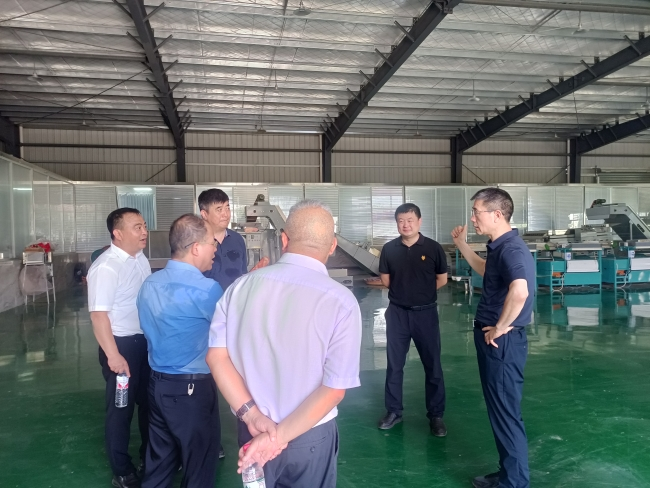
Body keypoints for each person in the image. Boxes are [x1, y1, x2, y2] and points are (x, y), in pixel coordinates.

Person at [207, 199, 362, 488]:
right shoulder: (342, 302)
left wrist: (252, 416)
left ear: (284, 239)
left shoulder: (240, 287)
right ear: (332, 246)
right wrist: (277, 438)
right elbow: (334, 389)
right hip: (309, 438)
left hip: (253, 430)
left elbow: (216, 358)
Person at [451, 188, 535, 488]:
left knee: (505, 413)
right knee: (500, 411)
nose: (473, 218)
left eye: (477, 212)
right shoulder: (499, 246)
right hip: (496, 342)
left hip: (501, 343)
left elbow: (520, 291)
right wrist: (462, 245)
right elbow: (486, 270)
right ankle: (508, 473)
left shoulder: (511, 249)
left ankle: (514, 482)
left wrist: (500, 326)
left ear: (497, 214)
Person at [137, 214, 224, 488]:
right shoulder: (207, 290)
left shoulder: (149, 284)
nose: (215, 249)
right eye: (212, 243)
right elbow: (230, 336)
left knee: (159, 466)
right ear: (196, 247)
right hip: (192, 391)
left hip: (157, 386)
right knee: (198, 468)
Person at [198, 188, 268, 460]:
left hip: (235, 317)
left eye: (227, 207)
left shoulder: (237, 240)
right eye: (219, 209)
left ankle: (247, 435)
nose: (226, 213)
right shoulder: (196, 241)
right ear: (204, 214)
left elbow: (240, 276)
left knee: (240, 375)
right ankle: (209, 441)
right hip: (203, 318)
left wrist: (254, 274)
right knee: (205, 382)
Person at [87, 208, 151, 488]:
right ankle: (122, 470)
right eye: (137, 227)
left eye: (144, 226)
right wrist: (113, 356)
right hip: (121, 345)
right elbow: (98, 316)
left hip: (144, 343)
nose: (144, 232)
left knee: (149, 404)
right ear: (118, 233)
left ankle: (150, 458)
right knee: (120, 409)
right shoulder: (106, 267)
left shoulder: (140, 259)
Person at [377, 203, 449, 437]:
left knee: (433, 365)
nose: (405, 225)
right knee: (394, 365)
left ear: (419, 221)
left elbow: (442, 279)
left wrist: (421, 294)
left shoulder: (433, 248)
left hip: (425, 314)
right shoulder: (389, 249)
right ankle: (394, 411)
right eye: (401, 221)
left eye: (409, 220)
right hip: (397, 314)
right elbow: (386, 280)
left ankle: (436, 415)